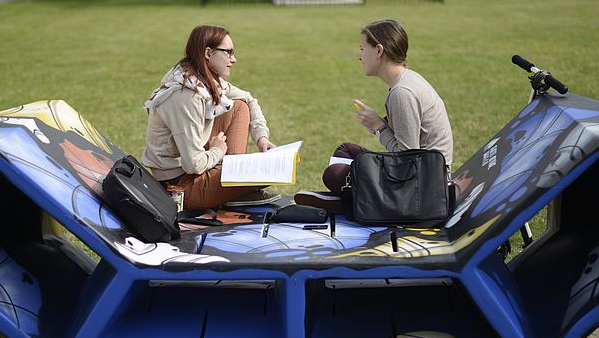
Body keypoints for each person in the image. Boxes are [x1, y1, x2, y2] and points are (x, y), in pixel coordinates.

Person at [295, 19, 453, 212]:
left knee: (334, 174)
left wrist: (379, 126)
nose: (360, 56)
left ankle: (353, 201)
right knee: (346, 151)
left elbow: (405, 161)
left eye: (362, 48)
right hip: (422, 175)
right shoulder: (406, 81)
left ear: (379, 51)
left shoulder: (402, 92)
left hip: (424, 189)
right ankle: (354, 197)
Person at [141, 25, 281, 210]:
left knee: (239, 106)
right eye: (228, 52)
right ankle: (231, 185)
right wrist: (217, 151)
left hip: (195, 171)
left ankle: (231, 182)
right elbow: (193, 165)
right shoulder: (185, 96)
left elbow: (248, 98)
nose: (234, 59)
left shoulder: (206, 81)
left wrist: (261, 137)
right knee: (270, 171)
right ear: (208, 53)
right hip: (179, 186)